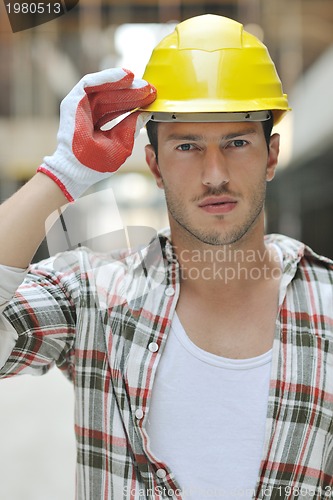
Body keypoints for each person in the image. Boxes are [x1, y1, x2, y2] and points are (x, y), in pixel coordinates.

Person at [0, 13, 332, 500]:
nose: (214, 173)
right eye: (188, 146)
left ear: (272, 154)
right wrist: (61, 176)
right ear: (153, 164)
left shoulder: (327, 307)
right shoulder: (95, 297)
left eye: (237, 142)